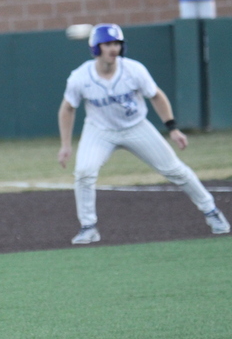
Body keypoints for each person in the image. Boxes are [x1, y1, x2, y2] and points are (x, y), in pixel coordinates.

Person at [57, 23, 230, 245]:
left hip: (136, 127)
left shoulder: (134, 70)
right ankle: (88, 227)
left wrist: (173, 128)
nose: (113, 48)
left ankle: (211, 211)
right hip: (100, 131)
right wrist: (65, 145)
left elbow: (156, 96)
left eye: (117, 44)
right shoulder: (80, 77)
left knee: (175, 170)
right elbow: (67, 108)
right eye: (107, 44)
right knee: (84, 172)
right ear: (96, 48)